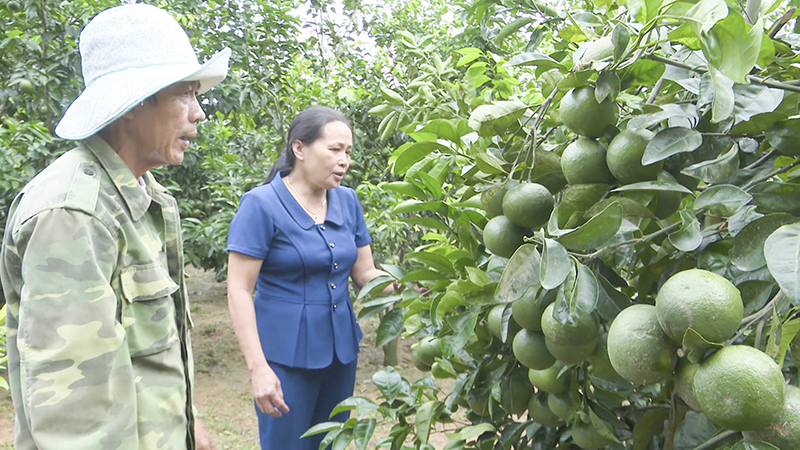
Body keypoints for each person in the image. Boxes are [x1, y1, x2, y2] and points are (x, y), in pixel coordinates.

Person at [0, 4, 230, 449]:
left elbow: (151, 355)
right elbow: (77, 420)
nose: (198, 112)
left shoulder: (145, 197)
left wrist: (187, 423)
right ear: (134, 103)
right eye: (185, 93)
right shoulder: (73, 214)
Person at [226, 106, 397, 449]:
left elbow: (364, 272)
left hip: (340, 353)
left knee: (330, 442)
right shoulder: (261, 205)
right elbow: (239, 289)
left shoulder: (347, 202)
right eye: (334, 149)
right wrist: (258, 368)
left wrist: (406, 285)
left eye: (348, 151)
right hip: (284, 357)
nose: (344, 160)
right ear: (299, 149)